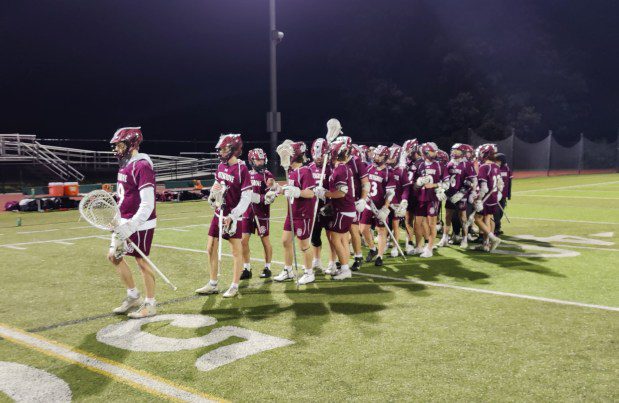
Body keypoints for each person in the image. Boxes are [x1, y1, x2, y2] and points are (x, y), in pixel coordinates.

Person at [108, 127, 158, 319]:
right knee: (114, 256)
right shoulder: (125, 164)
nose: (117, 149)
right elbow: (126, 194)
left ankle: (150, 303)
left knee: (142, 262)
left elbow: (147, 203)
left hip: (140, 223)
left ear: (131, 144)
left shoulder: (142, 165)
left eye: (120, 145)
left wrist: (132, 223)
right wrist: (117, 216)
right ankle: (133, 295)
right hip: (124, 219)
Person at [195, 133, 252, 298]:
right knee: (210, 247)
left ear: (234, 148)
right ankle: (213, 284)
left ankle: (234, 285)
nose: (220, 152)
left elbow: (246, 197)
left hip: (233, 216)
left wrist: (234, 215)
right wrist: (213, 195)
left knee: (236, 251)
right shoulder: (221, 166)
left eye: (224, 148)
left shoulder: (242, 169)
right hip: (219, 213)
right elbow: (218, 183)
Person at [274, 141, 318, 284]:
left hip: (303, 213)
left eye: (289, 153)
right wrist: (277, 190)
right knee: (286, 241)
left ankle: (309, 272)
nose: (286, 156)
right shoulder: (292, 173)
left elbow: (310, 193)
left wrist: (297, 191)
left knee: (304, 245)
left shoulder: (305, 171)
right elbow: (290, 191)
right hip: (291, 213)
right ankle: (288, 270)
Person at [314, 139, 357, 280]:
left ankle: (345, 269)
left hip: (343, 209)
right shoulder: (343, 168)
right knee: (342, 239)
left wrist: (324, 193)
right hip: (346, 209)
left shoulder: (340, 169)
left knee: (335, 239)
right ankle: (345, 267)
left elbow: (341, 192)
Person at [240, 148, 276, 280]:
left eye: (262, 159)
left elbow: (270, 195)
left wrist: (267, 196)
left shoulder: (268, 175)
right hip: (247, 212)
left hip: (261, 213)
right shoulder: (247, 174)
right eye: (258, 160)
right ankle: (246, 268)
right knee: (243, 241)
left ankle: (268, 267)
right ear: (251, 161)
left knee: (265, 240)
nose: (261, 162)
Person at [337, 136, 370, 271]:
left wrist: (363, 199)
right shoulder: (336, 161)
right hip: (338, 200)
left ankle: (358, 256)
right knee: (339, 232)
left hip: (353, 201)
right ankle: (342, 258)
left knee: (353, 229)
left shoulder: (356, 162)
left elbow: (365, 183)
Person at [360, 145, 395, 266]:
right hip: (368, 204)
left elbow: (390, 193)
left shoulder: (388, 173)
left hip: (380, 206)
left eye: (379, 155)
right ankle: (372, 248)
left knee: (381, 230)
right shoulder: (368, 168)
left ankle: (380, 255)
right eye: (375, 154)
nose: (376, 157)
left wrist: (385, 208)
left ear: (385, 157)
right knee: (363, 229)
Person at [412, 142, 449, 258]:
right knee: (417, 223)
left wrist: (434, 186)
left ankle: (429, 248)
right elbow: (411, 184)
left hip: (433, 198)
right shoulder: (418, 165)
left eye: (435, 151)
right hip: (419, 198)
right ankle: (418, 246)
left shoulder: (440, 165)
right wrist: (418, 184)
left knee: (432, 224)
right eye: (432, 151)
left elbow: (447, 183)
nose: (435, 153)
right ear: (426, 152)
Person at [308, 138, 338, 274]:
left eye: (321, 155)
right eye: (316, 154)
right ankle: (317, 261)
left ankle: (332, 262)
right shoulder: (309, 167)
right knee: (315, 236)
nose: (318, 158)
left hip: (328, 207)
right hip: (313, 207)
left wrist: (327, 195)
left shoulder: (332, 168)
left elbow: (336, 189)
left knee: (331, 237)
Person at [473, 144, 502, 252]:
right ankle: (485, 244)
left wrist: (479, 199)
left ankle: (493, 239)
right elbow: (500, 184)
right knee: (487, 219)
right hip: (493, 196)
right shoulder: (496, 166)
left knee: (477, 219)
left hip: (486, 197)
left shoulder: (484, 167)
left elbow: (483, 187)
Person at [386, 144, 410, 258]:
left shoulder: (401, 170)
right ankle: (386, 242)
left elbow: (406, 187)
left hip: (396, 203)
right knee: (383, 224)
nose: (389, 159)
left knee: (395, 225)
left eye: (392, 157)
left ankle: (395, 246)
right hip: (385, 202)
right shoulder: (385, 168)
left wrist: (404, 200)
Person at [494, 152, 512, 236]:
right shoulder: (494, 168)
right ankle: (495, 228)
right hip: (494, 195)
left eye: (497, 160)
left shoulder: (506, 168)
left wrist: (509, 194)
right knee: (496, 212)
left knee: (501, 212)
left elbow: (509, 182)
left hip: (503, 195)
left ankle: (497, 227)